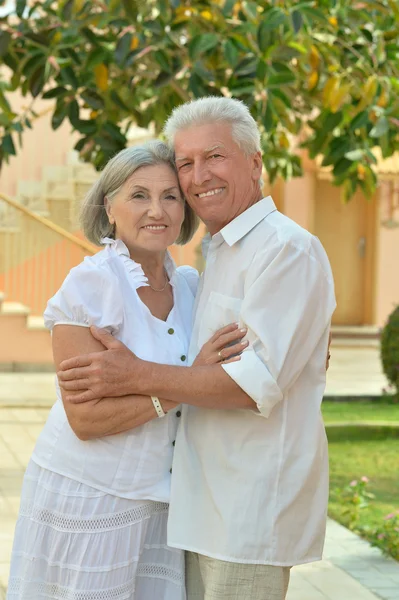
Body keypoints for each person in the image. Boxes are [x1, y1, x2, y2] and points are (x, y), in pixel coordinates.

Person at [58, 97, 336, 600]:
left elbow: (254, 385)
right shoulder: (217, 253)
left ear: (254, 163)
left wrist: (136, 374)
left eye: (215, 156)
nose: (198, 175)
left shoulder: (284, 248)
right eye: (186, 162)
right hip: (197, 511)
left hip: (248, 515)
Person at [7, 140, 247, 600]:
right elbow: (85, 420)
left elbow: (244, 358)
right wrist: (189, 385)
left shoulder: (194, 288)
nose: (156, 210)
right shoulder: (91, 284)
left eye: (170, 196)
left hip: (162, 505)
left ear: (184, 213)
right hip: (90, 498)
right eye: (139, 195)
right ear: (109, 208)